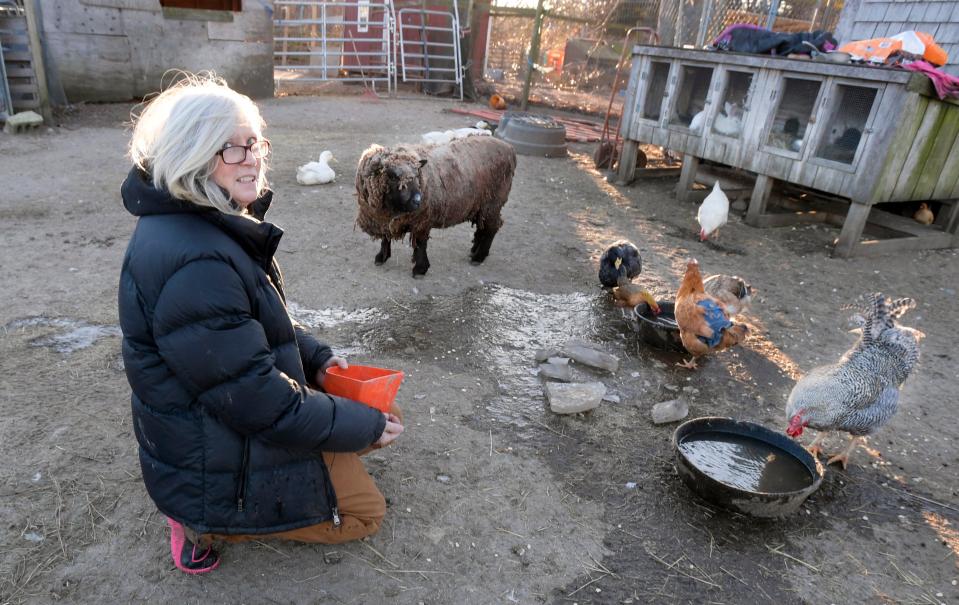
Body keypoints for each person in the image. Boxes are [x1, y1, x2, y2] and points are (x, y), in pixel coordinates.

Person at [118, 74, 404, 574]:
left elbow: (251, 328)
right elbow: (258, 401)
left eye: (254, 144)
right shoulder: (198, 264)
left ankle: (303, 470)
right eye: (232, 148)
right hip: (211, 452)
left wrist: (315, 359)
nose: (251, 158)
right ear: (193, 153)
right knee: (364, 514)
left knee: (376, 410)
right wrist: (359, 429)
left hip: (215, 419)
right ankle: (199, 521)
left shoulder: (203, 222)